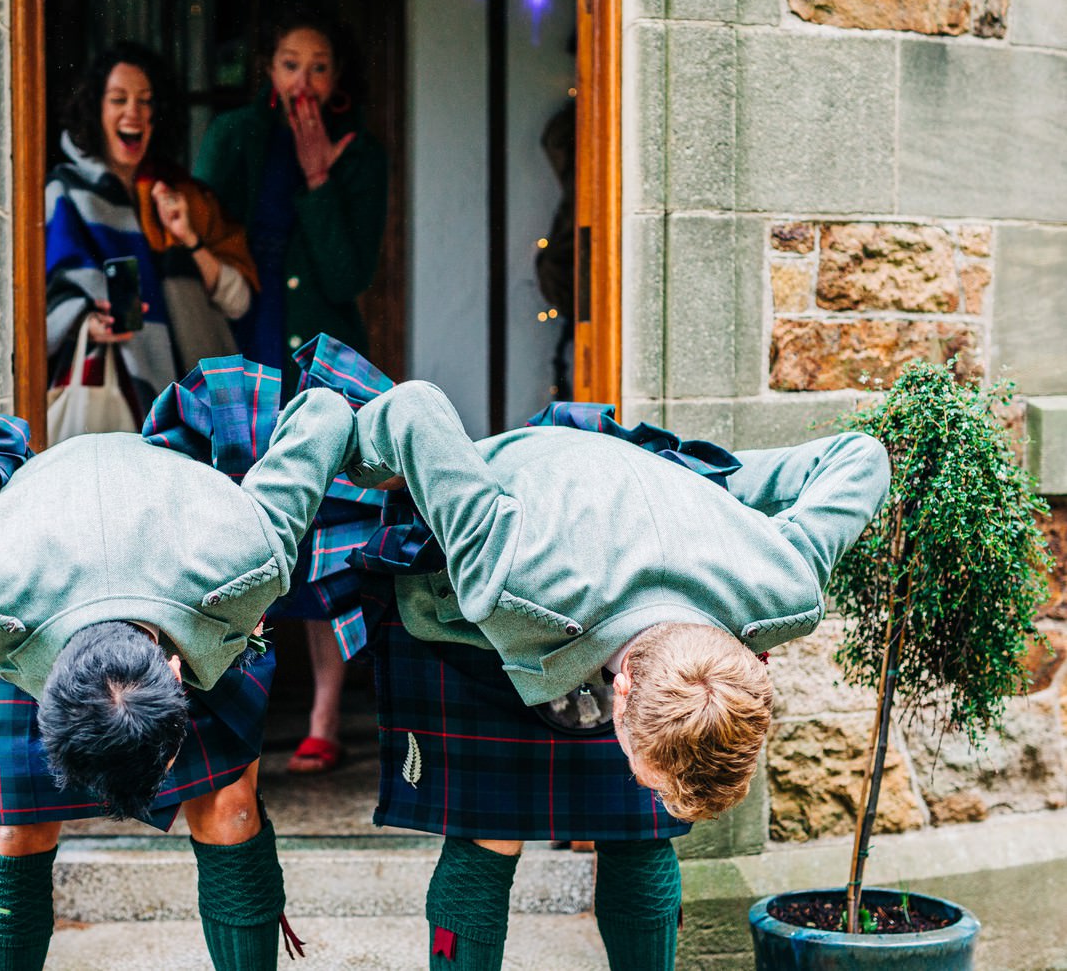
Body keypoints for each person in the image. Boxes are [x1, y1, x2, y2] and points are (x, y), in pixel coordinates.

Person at [344, 381, 891, 970]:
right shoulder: (512, 573)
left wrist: (707, 485)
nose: (648, 786)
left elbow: (863, 456)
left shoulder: (780, 587)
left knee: (641, 833)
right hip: (492, 605)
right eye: (649, 776)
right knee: (487, 832)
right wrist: (367, 468)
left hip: (641, 530)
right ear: (621, 695)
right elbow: (415, 405)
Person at [0, 385, 358, 971]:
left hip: (185, 549)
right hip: (25, 565)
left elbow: (325, 412)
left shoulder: (241, 559)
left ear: (177, 673)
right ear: (45, 701)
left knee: (231, 808)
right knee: (15, 831)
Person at [195, 6, 389, 776]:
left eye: (317, 65)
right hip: (240, 355)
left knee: (328, 535)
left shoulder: (360, 156)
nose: (302, 81)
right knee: (238, 529)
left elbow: (348, 277)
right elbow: (201, 240)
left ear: (336, 79)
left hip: (322, 367)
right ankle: (233, 705)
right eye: (287, 63)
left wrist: (318, 178)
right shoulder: (232, 139)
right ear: (267, 73)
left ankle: (323, 715)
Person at [46, 42, 257, 427]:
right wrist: (86, 323)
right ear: (95, 110)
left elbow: (238, 303)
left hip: (198, 406)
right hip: (115, 398)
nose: (134, 112)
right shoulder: (66, 193)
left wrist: (188, 237)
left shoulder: (183, 195)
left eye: (146, 101)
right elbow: (42, 306)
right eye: (118, 99)